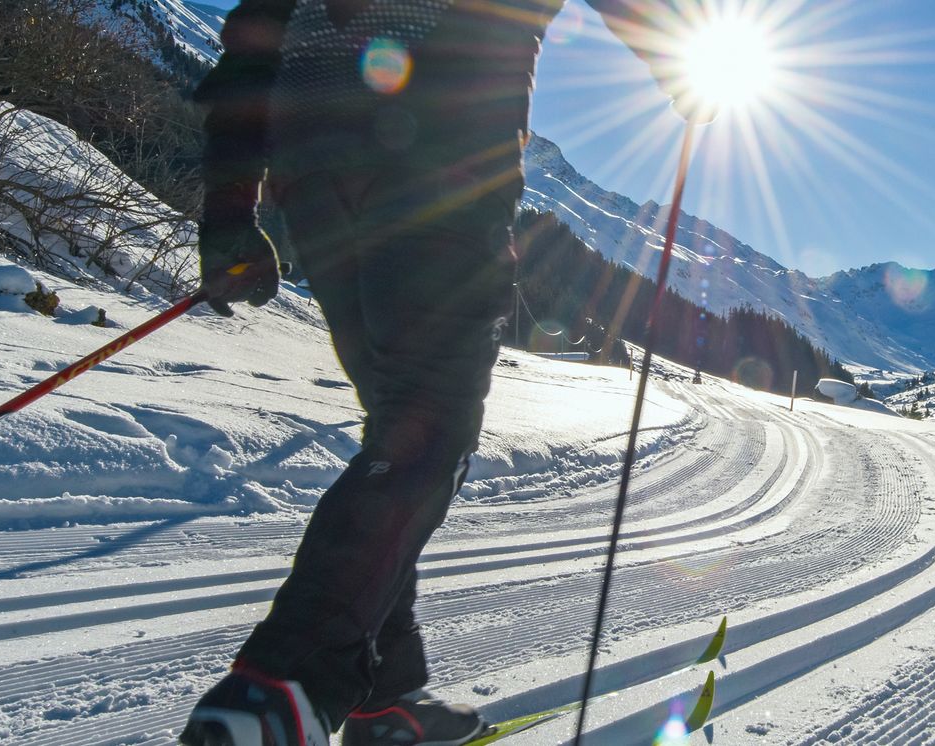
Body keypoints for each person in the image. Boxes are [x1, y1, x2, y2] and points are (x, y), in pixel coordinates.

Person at [179, 1, 705, 744]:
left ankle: (382, 701)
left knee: (402, 432)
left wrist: (228, 210)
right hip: (440, 154)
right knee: (430, 427)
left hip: (313, 168)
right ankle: (284, 687)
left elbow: (253, 42)